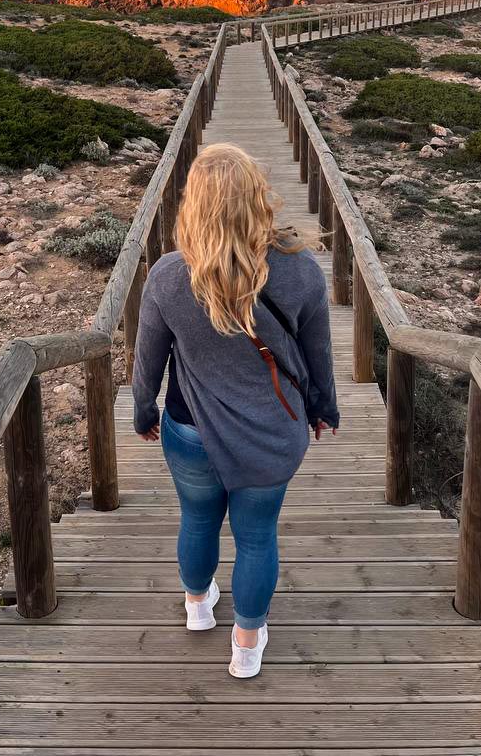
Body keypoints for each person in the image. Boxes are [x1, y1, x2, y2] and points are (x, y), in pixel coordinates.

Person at [132, 142, 339, 679]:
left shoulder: (169, 275)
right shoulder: (300, 270)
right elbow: (318, 353)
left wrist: (141, 409)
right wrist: (324, 408)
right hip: (273, 431)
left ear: (193, 204)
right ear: (258, 198)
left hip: (190, 430)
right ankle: (246, 645)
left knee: (198, 519)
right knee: (257, 535)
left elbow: (147, 356)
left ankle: (199, 608)